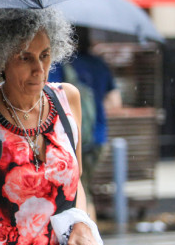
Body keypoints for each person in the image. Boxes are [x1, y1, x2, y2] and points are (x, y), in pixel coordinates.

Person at [0, 8, 102, 245]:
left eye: (44, 55)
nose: (39, 69)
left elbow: (75, 182)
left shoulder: (68, 99)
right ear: (2, 59)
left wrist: (80, 222)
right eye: (25, 58)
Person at [48, 26, 121, 211]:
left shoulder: (61, 64)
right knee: (84, 189)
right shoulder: (99, 64)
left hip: (72, 138)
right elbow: (115, 101)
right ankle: (89, 234)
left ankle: (88, 236)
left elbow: (50, 98)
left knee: (80, 193)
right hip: (98, 136)